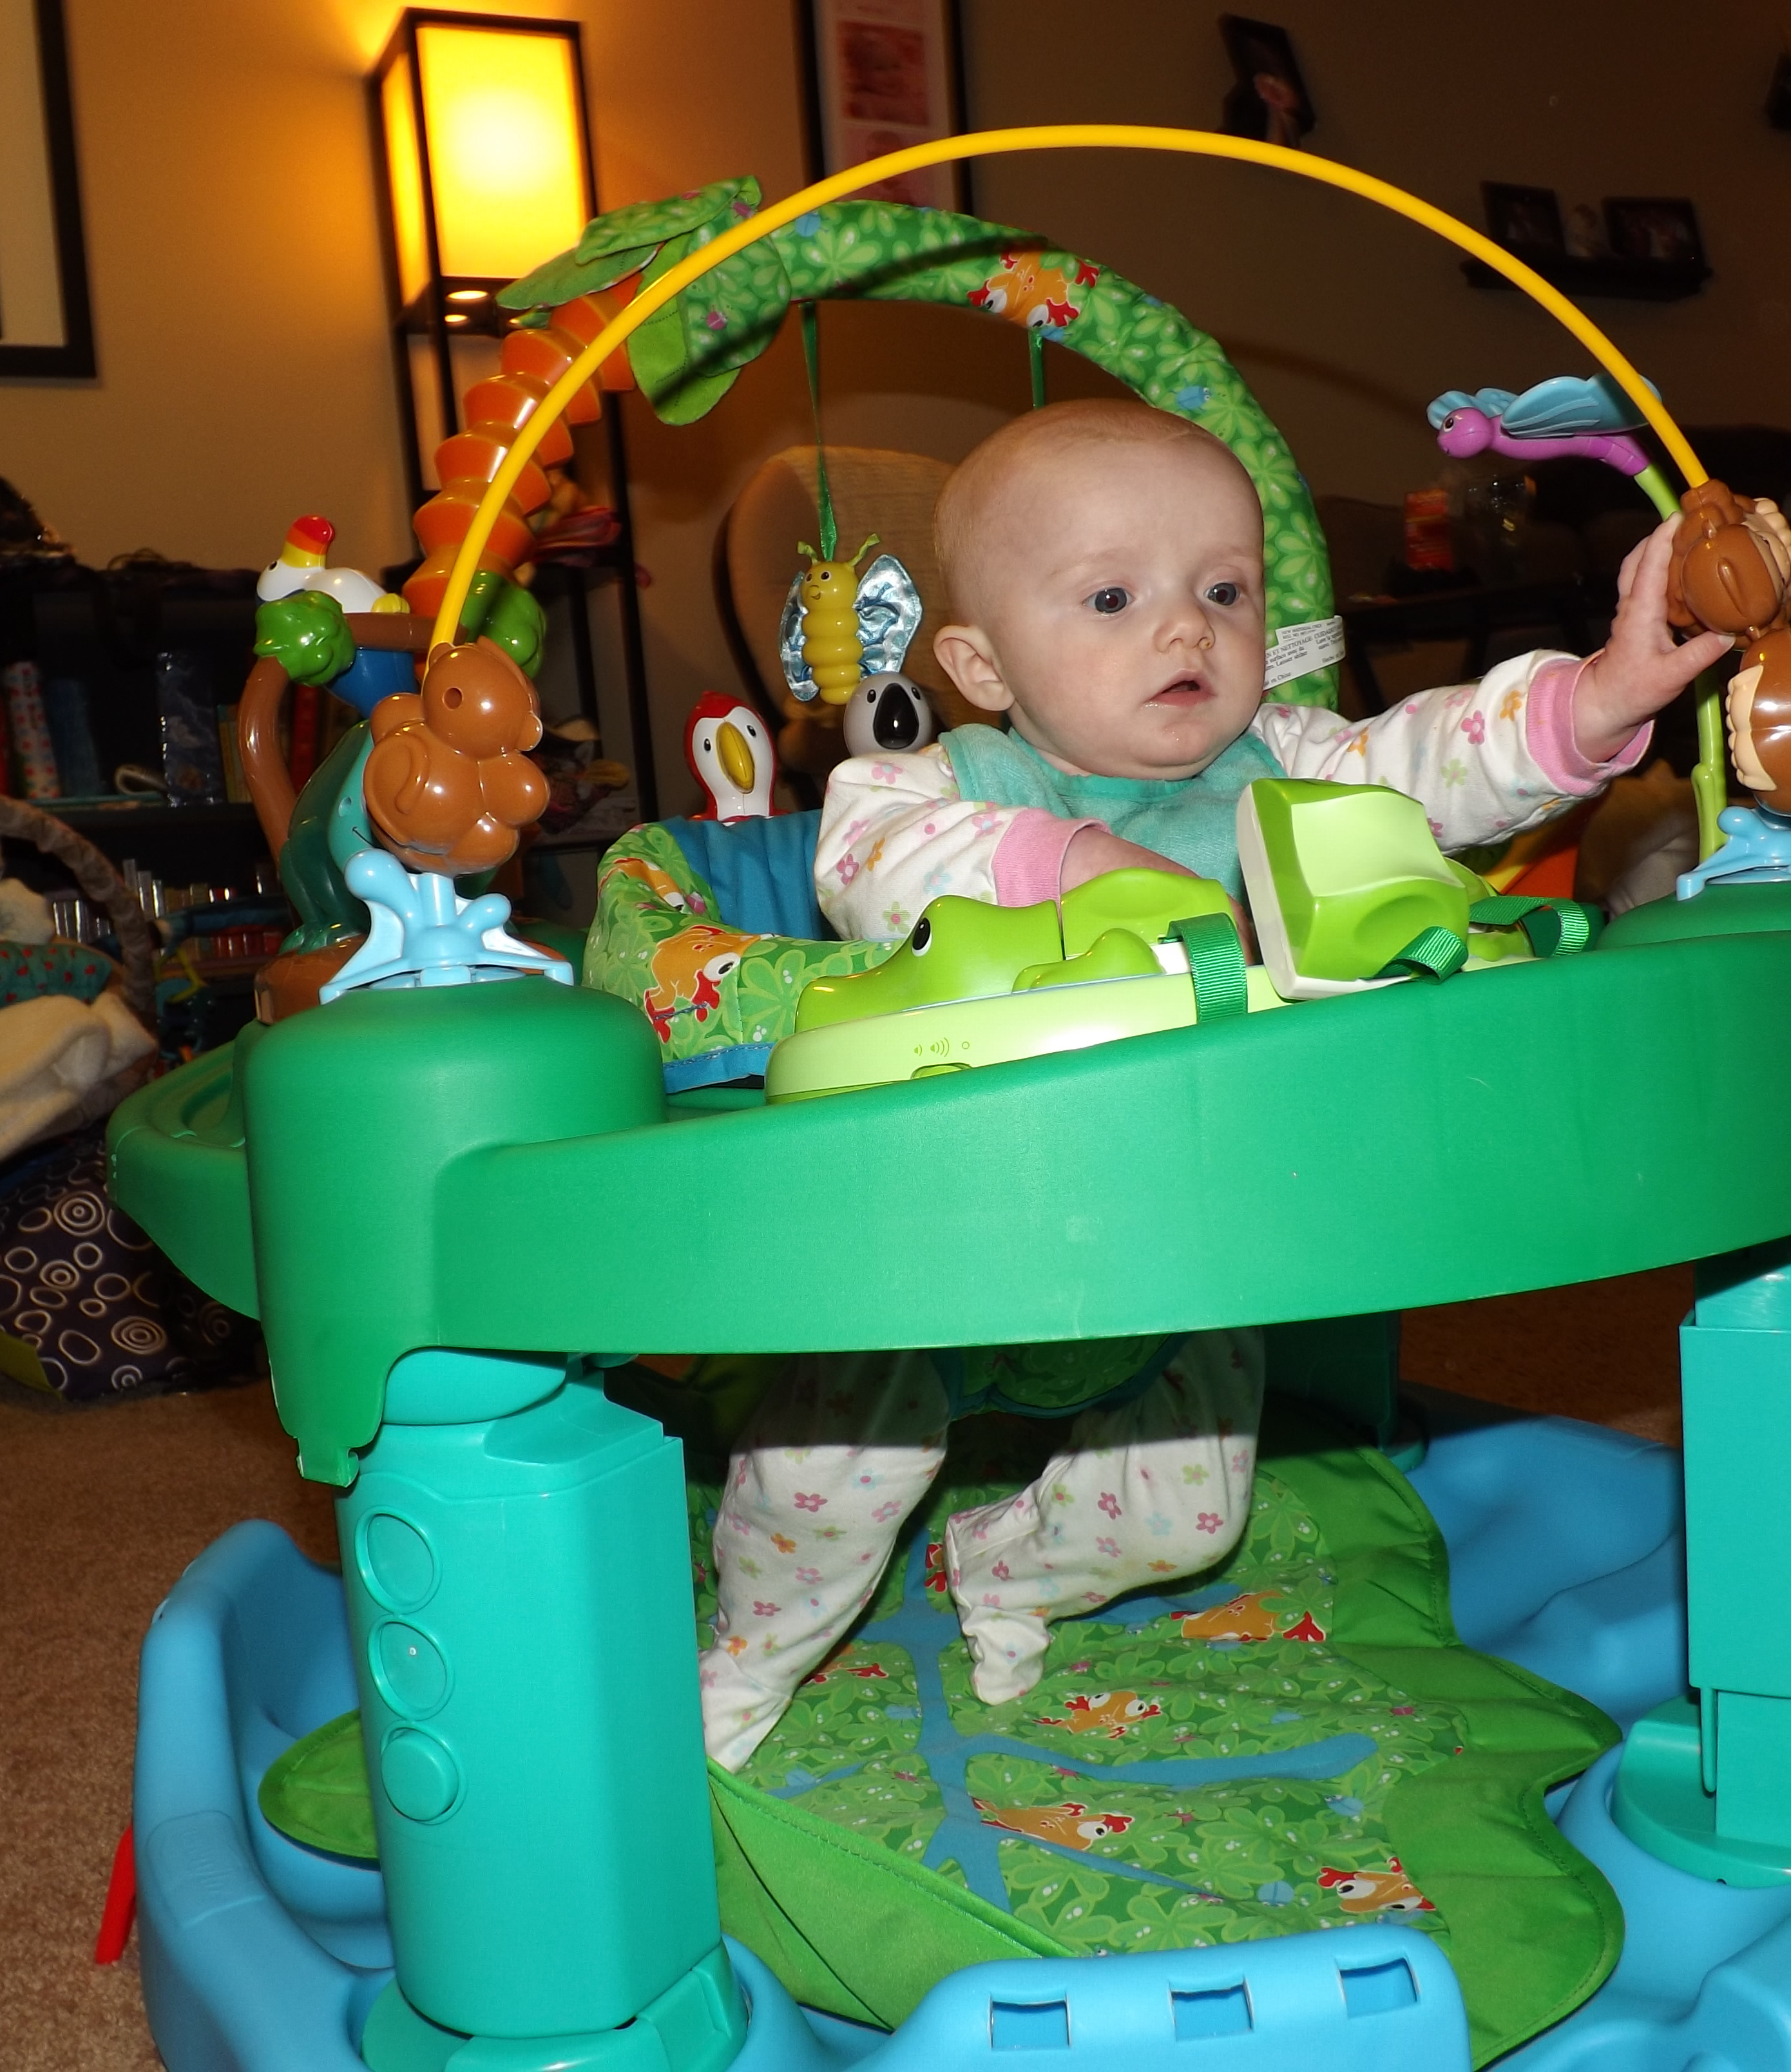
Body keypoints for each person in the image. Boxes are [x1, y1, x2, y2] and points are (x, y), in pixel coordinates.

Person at [697, 399, 1737, 1770]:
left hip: (1187, 1238)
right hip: (943, 1230)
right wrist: (1071, 864)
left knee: (1186, 1519)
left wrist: (1598, 697)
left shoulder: (1296, 769)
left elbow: (1435, 758)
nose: (1185, 629)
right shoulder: (932, 780)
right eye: (1114, 596)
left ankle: (1002, 1572)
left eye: (1223, 590)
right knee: (830, 1482)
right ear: (979, 661)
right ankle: (739, 1667)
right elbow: (871, 872)